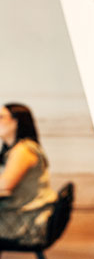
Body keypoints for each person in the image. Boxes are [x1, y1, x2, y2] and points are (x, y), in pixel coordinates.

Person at [0, 103, 57, 246]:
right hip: (23, 215)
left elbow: (5, 185)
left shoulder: (23, 150)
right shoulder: (19, 149)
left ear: (16, 121)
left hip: (27, 222)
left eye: (1, 117)